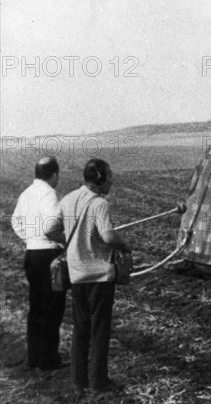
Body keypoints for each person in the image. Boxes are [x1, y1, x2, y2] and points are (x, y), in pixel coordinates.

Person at [52, 159, 131, 397]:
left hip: (76, 275)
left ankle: (78, 383)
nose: (112, 180)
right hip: (98, 276)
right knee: (100, 330)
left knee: (80, 329)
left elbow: (50, 230)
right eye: (109, 176)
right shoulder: (99, 204)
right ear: (100, 179)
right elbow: (107, 237)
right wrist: (125, 245)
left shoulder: (68, 199)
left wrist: (70, 242)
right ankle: (98, 382)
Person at [11, 156, 67, 373]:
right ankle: (49, 359)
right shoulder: (48, 194)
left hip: (32, 254)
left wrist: (29, 238)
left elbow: (16, 221)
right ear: (53, 175)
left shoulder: (27, 193)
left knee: (36, 307)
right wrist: (63, 239)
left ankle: (34, 357)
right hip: (49, 254)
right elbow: (52, 224)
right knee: (52, 307)